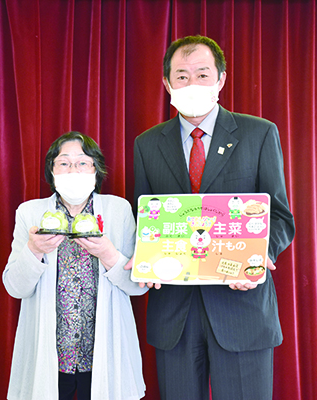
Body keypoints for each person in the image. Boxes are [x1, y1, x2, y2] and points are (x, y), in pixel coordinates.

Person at [132, 35, 295, 400]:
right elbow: (142, 219)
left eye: (203, 75)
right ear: (167, 83)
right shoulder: (147, 143)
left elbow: (280, 218)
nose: (193, 84)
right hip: (174, 311)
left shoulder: (259, 134)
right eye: (182, 76)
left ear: (220, 80)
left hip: (242, 308)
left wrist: (256, 259)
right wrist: (144, 258)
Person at [3, 132, 147, 400]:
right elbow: (15, 287)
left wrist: (109, 254)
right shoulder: (30, 213)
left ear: (96, 169)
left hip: (105, 348)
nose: (74, 169)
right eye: (64, 163)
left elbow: (137, 286)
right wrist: (34, 251)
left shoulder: (118, 210)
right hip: (51, 352)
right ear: (52, 170)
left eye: (83, 162)